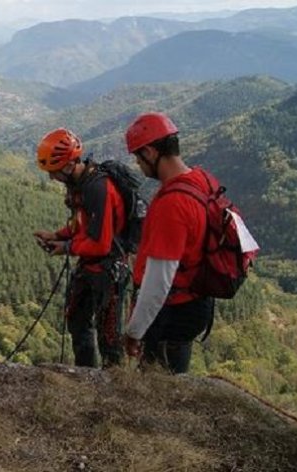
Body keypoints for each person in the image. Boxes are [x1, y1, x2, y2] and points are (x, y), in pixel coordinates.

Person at [122, 112, 216, 374]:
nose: (139, 166)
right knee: (175, 381)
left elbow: (158, 282)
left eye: (138, 158)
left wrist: (134, 331)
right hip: (196, 301)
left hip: (172, 312)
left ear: (151, 152)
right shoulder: (201, 180)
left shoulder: (172, 204)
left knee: (159, 391)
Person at [33, 128, 127, 368]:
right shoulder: (80, 184)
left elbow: (100, 243)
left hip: (109, 268)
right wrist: (57, 235)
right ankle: (87, 376)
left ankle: (113, 384)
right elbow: (82, 226)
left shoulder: (98, 188)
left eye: (53, 172)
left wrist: (65, 247)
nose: (52, 178)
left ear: (66, 166)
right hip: (91, 265)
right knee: (77, 320)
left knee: (109, 337)